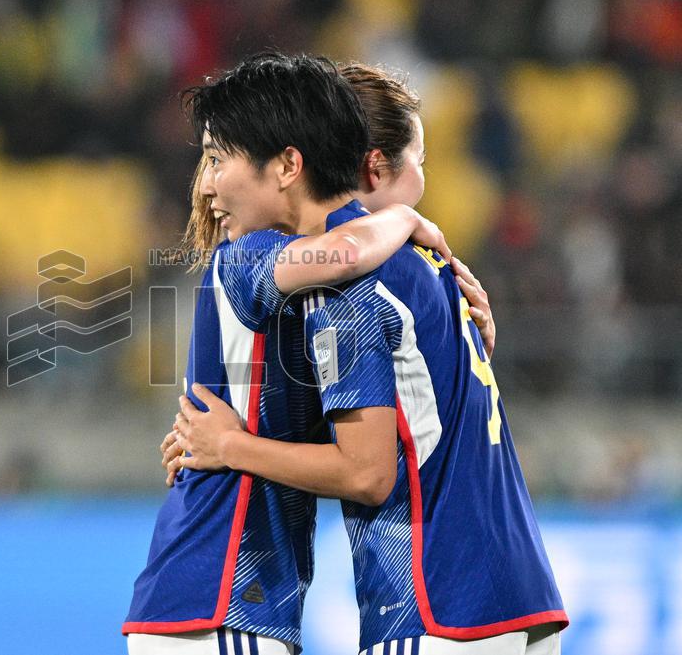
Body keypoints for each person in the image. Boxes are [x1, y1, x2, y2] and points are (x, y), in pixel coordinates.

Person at [168, 64, 568, 655]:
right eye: (421, 163)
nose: (207, 185)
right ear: (374, 166)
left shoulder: (347, 285)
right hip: (520, 595)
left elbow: (366, 472)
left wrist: (227, 445)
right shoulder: (431, 269)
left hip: (436, 602)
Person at [124, 53, 455, 655]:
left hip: (218, 599)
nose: (202, 183)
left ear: (288, 164)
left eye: (216, 159)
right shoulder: (256, 257)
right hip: (225, 591)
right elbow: (343, 255)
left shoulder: (278, 263)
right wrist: (405, 220)